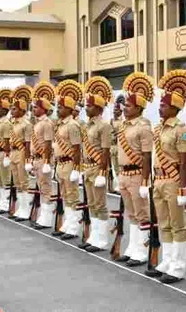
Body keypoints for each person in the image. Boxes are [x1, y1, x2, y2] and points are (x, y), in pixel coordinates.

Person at [153, 69, 186, 284]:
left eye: (163, 105)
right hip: (159, 180)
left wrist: (183, 188)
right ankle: (168, 260)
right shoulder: (158, 128)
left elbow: (183, 162)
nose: (160, 108)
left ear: (175, 108)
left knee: (177, 224)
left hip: (172, 180)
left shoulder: (181, 130)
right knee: (163, 223)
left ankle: (178, 266)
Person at [116, 72, 154, 267]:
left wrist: (146, 182)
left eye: (128, 106)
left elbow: (147, 156)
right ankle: (133, 248)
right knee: (131, 214)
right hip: (124, 174)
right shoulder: (124, 125)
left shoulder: (144, 127)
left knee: (142, 214)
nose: (124, 109)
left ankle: (143, 251)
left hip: (138, 174)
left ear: (139, 108)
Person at [78, 76, 113, 252]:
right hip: (87, 167)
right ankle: (94, 236)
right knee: (91, 203)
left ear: (98, 108)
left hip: (97, 167)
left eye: (90, 106)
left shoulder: (104, 126)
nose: (86, 108)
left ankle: (102, 239)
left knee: (100, 204)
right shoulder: (87, 126)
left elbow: (105, 151)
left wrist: (102, 172)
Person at [53, 80, 83, 240]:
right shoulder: (60, 124)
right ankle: (68, 223)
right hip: (61, 163)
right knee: (65, 194)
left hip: (70, 163)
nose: (58, 109)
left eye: (61, 107)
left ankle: (73, 226)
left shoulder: (72, 125)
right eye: (58, 107)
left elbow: (77, 149)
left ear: (70, 109)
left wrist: (77, 170)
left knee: (72, 195)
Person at [30, 81, 56, 229]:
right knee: (40, 187)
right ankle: (43, 215)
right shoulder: (37, 123)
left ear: (44, 109)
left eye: (36, 107)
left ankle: (46, 219)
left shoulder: (46, 123)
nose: (33, 109)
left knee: (46, 188)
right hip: (37, 159)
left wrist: (46, 162)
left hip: (42, 160)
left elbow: (47, 144)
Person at [9, 85, 34, 221]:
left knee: (23, 182)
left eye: (14, 109)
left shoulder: (26, 124)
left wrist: (28, 160)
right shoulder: (13, 123)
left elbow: (28, 143)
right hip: (13, 153)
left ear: (22, 110)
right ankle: (21, 207)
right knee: (17, 182)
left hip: (22, 153)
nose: (12, 111)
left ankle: (26, 209)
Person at [0, 89, 14, 214]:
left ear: (5, 110)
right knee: (0, 179)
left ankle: (6, 203)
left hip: (2, 153)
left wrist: (7, 156)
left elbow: (7, 141)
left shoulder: (6, 123)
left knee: (5, 179)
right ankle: (2, 201)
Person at [110, 95, 124, 192]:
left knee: (120, 167)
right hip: (112, 147)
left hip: (120, 148)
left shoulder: (122, 122)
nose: (114, 111)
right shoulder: (111, 121)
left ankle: (121, 184)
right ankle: (119, 183)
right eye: (114, 109)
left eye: (116, 110)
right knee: (115, 168)